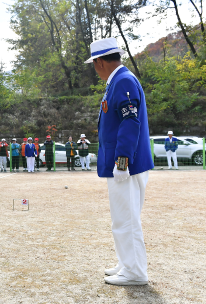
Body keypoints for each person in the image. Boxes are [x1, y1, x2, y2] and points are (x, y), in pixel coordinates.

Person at [85, 37, 154, 285]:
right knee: (122, 218)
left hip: (126, 164)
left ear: (100, 62)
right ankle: (127, 264)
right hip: (123, 163)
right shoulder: (118, 81)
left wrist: (122, 161)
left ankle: (135, 272)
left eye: (94, 63)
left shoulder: (123, 81)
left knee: (127, 219)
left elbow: (129, 122)